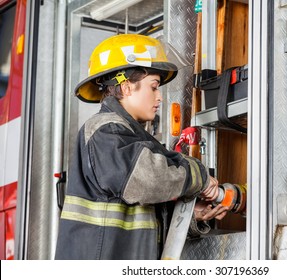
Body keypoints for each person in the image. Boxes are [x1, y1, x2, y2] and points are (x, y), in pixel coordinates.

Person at [55, 34, 229, 260]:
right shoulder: (105, 131)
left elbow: (139, 215)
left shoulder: (128, 135)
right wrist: (199, 176)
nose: (159, 98)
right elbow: (148, 181)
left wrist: (191, 216)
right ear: (126, 88)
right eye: (154, 87)